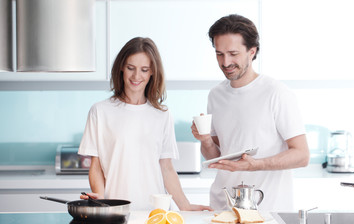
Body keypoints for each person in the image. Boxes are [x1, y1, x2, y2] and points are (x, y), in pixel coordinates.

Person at [191, 14, 310, 211]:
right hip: (223, 209)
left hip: (266, 210)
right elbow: (218, 156)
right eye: (219, 54)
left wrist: (255, 164)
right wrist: (205, 140)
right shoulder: (216, 95)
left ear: (252, 52)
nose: (225, 62)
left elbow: (302, 155)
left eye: (233, 53)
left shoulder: (276, 93)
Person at [78, 37, 211, 211]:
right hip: (116, 212)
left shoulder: (162, 114)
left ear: (152, 72)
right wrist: (100, 199)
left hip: (156, 213)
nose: (136, 76)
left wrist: (185, 205)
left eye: (144, 70)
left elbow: (167, 168)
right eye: (130, 68)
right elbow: (96, 166)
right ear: (121, 68)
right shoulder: (100, 111)